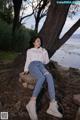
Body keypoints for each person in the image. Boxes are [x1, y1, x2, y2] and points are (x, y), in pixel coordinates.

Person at [24, 36, 63, 120]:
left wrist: (44, 53)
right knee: (41, 78)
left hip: (41, 65)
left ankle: (52, 105)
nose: (39, 42)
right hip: (33, 65)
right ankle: (31, 103)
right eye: (37, 41)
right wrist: (26, 70)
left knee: (49, 76)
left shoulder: (43, 50)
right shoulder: (30, 50)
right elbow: (28, 60)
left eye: (40, 41)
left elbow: (46, 62)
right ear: (33, 43)